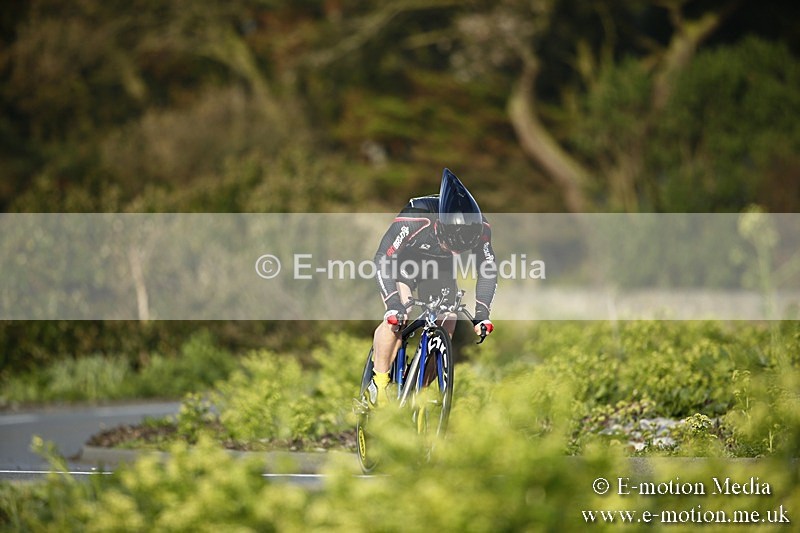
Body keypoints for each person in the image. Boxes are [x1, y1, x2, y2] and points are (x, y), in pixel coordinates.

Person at [368, 168, 496, 407]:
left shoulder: (480, 229)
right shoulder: (417, 217)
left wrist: (482, 315)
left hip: (440, 269)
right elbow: (383, 258)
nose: (455, 251)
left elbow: (488, 269)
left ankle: (419, 393)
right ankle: (380, 384)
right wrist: (394, 303)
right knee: (400, 317)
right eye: (450, 244)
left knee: (448, 320)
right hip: (404, 262)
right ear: (439, 228)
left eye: (460, 250)